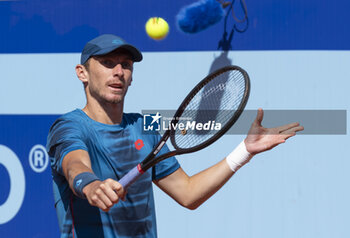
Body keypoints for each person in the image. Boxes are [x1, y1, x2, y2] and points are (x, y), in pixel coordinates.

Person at [47, 34, 303, 238]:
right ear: (82, 72)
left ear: (132, 77)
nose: (118, 72)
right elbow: (75, 166)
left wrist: (245, 151)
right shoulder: (68, 126)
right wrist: (91, 186)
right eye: (107, 63)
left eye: (125, 65)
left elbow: (188, 193)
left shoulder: (146, 125)